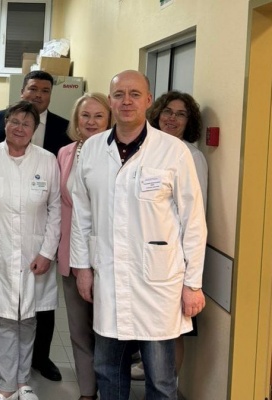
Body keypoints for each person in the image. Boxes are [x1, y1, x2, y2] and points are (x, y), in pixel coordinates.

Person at [70, 70, 207, 400]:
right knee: (107, 370)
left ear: (148, 100)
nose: (126, 101)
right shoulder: (91, 150)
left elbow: (193, 221)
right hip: (109, 277)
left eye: (134, 94)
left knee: (160, 378)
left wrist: (193, 284)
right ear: (110, 101)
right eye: (119, 94)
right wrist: (83, 269)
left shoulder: (174, 151)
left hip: (158, 283)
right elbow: (81, 216)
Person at [0, 70, 71, 381]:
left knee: (36, 312)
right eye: (15, 122)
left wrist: (48, 251)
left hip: (35, 247)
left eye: (45, 90)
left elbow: (56, 207)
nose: (20, 127)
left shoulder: (52, 151)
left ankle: (36, 363)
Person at [147, 90, 208, 379]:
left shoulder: (192, 156)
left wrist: (189, 271)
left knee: (172, 331)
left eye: (181, 114)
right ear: (157, 114)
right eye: (168, 111)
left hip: (176, 260)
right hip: (147, 256)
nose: (172, 118)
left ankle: (165, 389)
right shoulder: (146, 148)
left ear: (189, 121)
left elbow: (195, 216)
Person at [57, 93, 112, 400]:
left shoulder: (118, 153)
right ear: (76, 120)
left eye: (98, 116)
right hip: (72, 256)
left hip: (108, 256)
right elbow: (58, 205)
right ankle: (87, 393)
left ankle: (111, 389)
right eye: (85, 115)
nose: (91, 122)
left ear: (109, 120)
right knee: (79, 331)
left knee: (107, 332)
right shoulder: (65, 153)